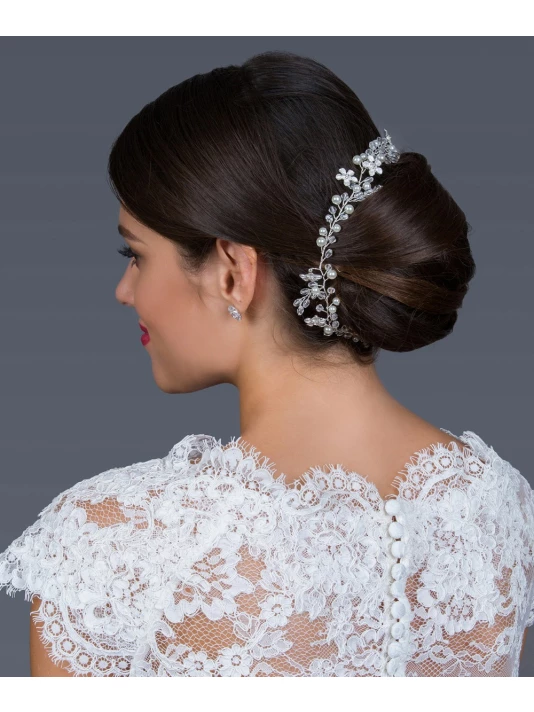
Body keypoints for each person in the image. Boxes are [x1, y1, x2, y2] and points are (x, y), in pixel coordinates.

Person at [1, 49, 533, 677]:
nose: (125, 290)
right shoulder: (500, 508)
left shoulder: (111, 543)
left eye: (136, 255)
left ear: (233, 272)